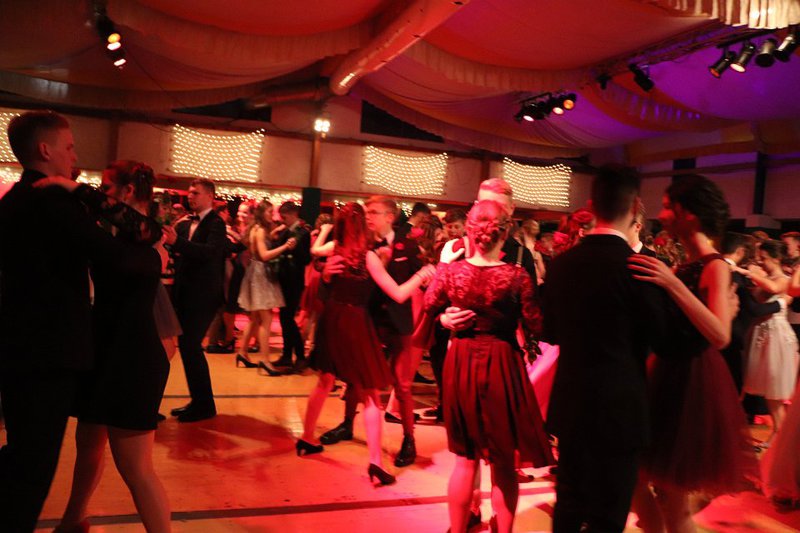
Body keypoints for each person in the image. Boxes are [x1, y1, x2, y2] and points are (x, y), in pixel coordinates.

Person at [0, 111, 161, 532]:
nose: (74, 156)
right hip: (50, 353)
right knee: (32, 468)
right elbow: (133, 245)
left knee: (26, 453)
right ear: (45, 150)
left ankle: (72, 520)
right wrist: (155, 260)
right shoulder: (54, 202)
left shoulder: (12, 202)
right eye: (69, 147)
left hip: (21, 348)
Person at [42, 162, 172, 533]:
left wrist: (73, 188)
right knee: (88, 444)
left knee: (135, 467)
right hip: (104, 351)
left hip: (133, 358)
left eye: (106, 188)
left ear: (128, 191)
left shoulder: (150, 235)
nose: (100, 194)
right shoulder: (118, 231)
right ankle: (73, 520)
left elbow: (141, 230)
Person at [543, 165, 674, 533]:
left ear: (591, 205)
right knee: (609, 512)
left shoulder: (562, 265)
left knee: (568, 503)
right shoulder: (641, 268)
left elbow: (550, 332)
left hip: (572, 400)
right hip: (621, 404)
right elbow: (664, 341)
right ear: (634, 207)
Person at [629, 174, 757, 533]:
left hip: (690, 381)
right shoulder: (685, 264)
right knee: (650, 482)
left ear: (690, 214)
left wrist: (671, 284)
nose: (662, 214)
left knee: (672, 496)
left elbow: (720, 334)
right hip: (668, 373)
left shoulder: (715, 265)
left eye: (668, 206)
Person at [426, 200, 553, 533]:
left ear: (470, 231)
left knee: (465, 460)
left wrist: (445, 314)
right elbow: (537, 325)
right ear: (505, 233)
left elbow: (429, 303)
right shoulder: (516, 276)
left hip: (461, 360)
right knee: (503, 462)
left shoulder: (451, 272)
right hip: (501, 363)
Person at [297, 202, 434, 486]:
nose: (371, 218)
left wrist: (324, 266)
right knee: (371, 393)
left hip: (334, 320)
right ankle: (374, 462)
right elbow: (398, 294)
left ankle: (306, 438)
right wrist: (423, 275)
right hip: (357, 322)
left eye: (375, 213)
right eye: (367, 215)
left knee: (325, 381)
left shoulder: (337, 249)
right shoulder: (368, 256)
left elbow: (316, 253)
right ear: (362, 224)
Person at [162, 178, 227, 422]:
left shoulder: (216, 224)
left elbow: (209, 253)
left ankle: (204, 405)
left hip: (204, 295)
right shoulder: (185, 222)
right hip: (186, 292)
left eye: (195, 193)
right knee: (188, 347)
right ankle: (199, 401)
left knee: (190, 346)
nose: (190, 196)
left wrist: (177, 243)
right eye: (189, 193)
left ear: (210, 196)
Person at [739, 239, 799, 448]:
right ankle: (778, 433)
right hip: (761, 334)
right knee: (768, 390)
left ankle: (780, 436)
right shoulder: (765, 278)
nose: (760, 262)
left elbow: (773, 287)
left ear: (776, 258)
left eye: (763, 258)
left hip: (776, 337)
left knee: (774, 391)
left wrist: (747, 272)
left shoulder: (783, 279)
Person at [719, 232, 783, 393]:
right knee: (732, 382)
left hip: (732, 332)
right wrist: (781, 303)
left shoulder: (715, 267)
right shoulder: (735, 273)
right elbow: (753, 308)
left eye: (763, 258)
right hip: (732, 333)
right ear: (740, 251)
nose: (759, 261)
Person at [235, 200, 294, 372]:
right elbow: (264, 255)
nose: (272, 215)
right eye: (270, 212)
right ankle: (265, 360)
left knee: (255, 318)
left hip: (255, 271)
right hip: (261, 274)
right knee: (266, 319)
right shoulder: (260, 230)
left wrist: (275, 232)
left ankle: (242, 352)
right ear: (262, 213)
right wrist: (285, 246)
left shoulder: (256, 228)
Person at [273, 201, 312, 371]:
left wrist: (295, 249)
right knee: (284, 319)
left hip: (294, 281)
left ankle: (300, 356)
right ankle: (287, 355)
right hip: (283, 280)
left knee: (288, 319)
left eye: (284, 217)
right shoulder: (285, 231)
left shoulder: (303, 233)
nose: (282, 220)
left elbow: (306, 259)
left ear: (293, 214)